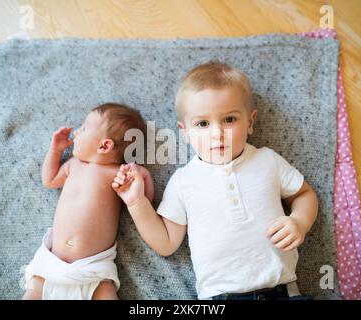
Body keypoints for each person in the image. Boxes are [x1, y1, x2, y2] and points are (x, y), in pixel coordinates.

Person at [112, 61, 318, 300]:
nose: (217, 133)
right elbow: (166, 243)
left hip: (282, 291)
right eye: (202, 124)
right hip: (220, 297)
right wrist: (136, 203)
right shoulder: (183, 181)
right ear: (185, 132)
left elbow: (304, 194)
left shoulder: (267, 161)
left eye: (229, 120)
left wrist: (299, 221)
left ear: (250, 122)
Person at [23, 103, 154, 300]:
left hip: (94, 268)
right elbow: (49, 180)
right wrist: (55, 151)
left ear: (104, 145)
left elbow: (145, 204)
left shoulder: (118, 174)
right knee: (33, 293)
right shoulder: (73, 165)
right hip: (52, 260)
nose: (76, 132)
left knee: (106, 293)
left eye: (83, 128)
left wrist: (142, 175)